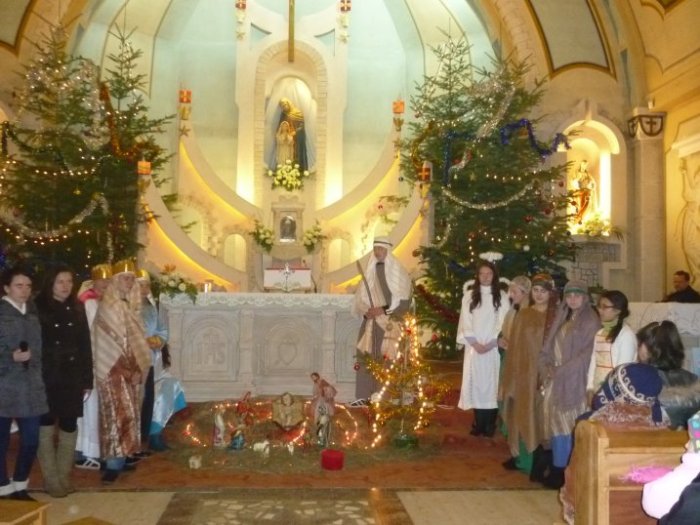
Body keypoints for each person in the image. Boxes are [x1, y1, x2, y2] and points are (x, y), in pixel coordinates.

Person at [34, 265, 93, 498]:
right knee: (46, 425)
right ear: (50, 283)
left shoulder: (77, 307)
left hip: (71, 376)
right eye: (60, 281)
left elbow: (85, 346)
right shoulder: (37, 308)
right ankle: (51, 479)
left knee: (69, 425)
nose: (66, 286)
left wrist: (87, 379)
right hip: (46, 376)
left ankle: (63, 476)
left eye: (69, 281)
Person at [92, 259, 151, 484]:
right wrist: (129, 371)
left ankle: (125, 456)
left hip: (130, 371)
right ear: (115, 281)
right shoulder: (111, 306)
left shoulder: (129, 306)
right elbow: (113, 345)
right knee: (115, 416)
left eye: (131, 279)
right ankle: (112, 464)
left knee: (130, 414)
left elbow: (134, 343)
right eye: (124, 278)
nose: (128, 282)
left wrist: (136, 369)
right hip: (113, 370)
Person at [538, 280, 600, 489]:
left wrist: (562, 370)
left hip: (574, 381)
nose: (572, 299)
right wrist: (547, 365)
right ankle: (558, 468)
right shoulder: (563, 315)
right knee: (556, 424)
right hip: (556, 378)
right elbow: (549, 344)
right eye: (569, 295)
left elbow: (587, 354)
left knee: (568, 425)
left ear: (585, 297)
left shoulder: (590, 320)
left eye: (577, 295)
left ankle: (567, 474)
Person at [500, 273, 557, 473]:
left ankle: (543, 462)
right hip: (525, 372)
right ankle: (523, 459)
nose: (539, 295)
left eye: (543, 291)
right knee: (523, 413)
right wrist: (512, 377)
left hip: (548, 374)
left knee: (543, 416)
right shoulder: (524, 315)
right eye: (536, 291)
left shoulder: (556, 316)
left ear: (551, 293)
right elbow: (515, 347)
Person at [0, 266, 48, 500]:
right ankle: (2, 486)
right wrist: (10, 357)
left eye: (28, 286)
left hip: (31, 387)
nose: (24, 290)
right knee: (1, 441)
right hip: (4, 386)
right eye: (19, 285)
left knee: (31, 440)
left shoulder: (32, 312)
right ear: (6, 288)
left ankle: (20, 483)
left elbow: (39, 349)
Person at [352, 236, 412, 403]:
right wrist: (367, 312)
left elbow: (403, 302)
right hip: (371, 323)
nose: (377, 252)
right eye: (375, 249)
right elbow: (361, 299)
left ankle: (386, 398)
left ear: (387, 250)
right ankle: (364, 396)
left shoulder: (398, 272)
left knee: (387, 359)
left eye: (381, 248)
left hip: (390, 324)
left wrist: (383, 310)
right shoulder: (370, 271)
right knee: (366, 358)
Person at [456, 258, 510, 438]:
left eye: (489, 274)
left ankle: (490, 425)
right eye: (482, 274)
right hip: (475, 348)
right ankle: (478, 423)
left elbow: (504, 322)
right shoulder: (469, 296)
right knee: (477, 385)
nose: (486, 277)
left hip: (493, 349)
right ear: (477, 276)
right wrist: (475, 343)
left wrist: (492, 342)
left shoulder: (501, 296)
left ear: (494, 276)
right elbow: (465, 321)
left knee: (492, 385)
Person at [136, 269, 185, 452]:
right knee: (146, 396)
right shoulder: (128, 308)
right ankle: (146, 435)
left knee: (170, 385)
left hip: (154, 360)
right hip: (138, 361)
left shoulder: (151, 308)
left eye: (146, 285)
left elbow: (161, 329)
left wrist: (158, 340)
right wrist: (143, 341)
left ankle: (155, 430)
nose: (143, 289)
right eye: (140, 285)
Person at [74, 263, 112, 471]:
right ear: (94, 282)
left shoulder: (106, 301)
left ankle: (96, 449)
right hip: (93, 359)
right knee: (90, 407)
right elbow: (90, 334)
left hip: (105, 359)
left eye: (108, 280)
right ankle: (87, 451)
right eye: (102, 280)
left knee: (99, 407)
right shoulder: (88, 302)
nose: (105, 283)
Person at [637, 321, 700, 429]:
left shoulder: (638, 378)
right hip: (686, 438)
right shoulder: (694, 380)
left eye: (639, 343)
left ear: (647, 349)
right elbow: (696, 429)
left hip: (648, 437)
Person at [642, 410, 700, 522]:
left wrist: (692, 458)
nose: (686, 445)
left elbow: (653, 502)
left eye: (691, 441)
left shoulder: (690, 476)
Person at [586, 290, 637, 397]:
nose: (600, 310)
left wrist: (608, 394)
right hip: (597, 389)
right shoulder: (599, 333)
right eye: (599, 306)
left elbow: (621, 371)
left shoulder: (626, 335)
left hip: (615, 393)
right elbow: (593, 361)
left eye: (605, 307)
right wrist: (590, 388)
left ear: (617, 310)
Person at [278, 97, 307, 171]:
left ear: (288, 104)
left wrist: (295, 132)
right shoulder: (283, 114)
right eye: (282, 106)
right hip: (287, 139)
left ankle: (298, 170)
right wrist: (283, 135)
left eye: (285, 105)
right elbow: (281, 126)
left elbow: (302, 125)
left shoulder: (297, 112)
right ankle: (287, 169)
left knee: (297, 153)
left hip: (297, 138)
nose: (284, 107)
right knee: (287, 155)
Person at [572, 160, 596, 224]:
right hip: (579, 190)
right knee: (582, 200)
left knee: (587, 201)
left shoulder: (587, 174)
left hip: (586, 190)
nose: (584, 166)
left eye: (586, 165)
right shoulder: (576, 173)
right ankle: (579, 217)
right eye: (583, 164)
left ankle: (579, 217)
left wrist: (591, 185)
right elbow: (573, 181)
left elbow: (592, 182)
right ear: (581, 165)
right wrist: (578, 180)